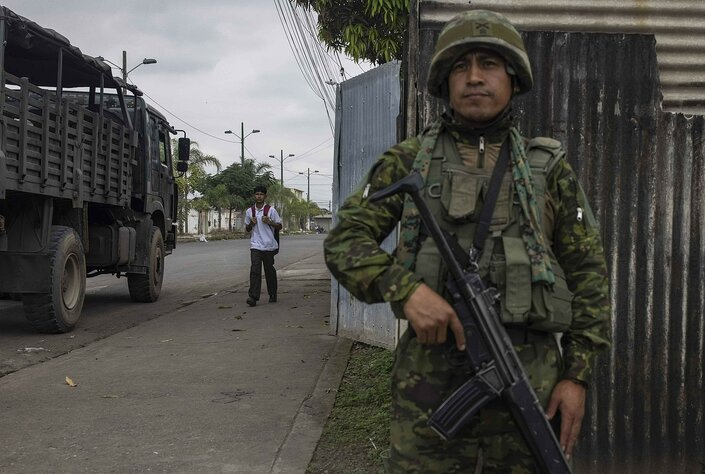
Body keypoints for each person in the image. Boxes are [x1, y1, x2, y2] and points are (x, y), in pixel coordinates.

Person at [324, 9, 611, 472]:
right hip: (430, 384)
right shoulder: (410, 161)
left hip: (531, 380)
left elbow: (589, 276)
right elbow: (344, 242)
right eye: (461, 66)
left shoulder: (548, 168)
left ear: (513, 78)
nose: (474, 77)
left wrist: (576, 375)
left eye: (489, 64)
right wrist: (407, 290)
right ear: (444, 81)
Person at [244, 185, 282, 307]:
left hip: (269, 246)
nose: (259, 196)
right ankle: (253, 296)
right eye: (257, 194)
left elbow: (279, 226)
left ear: (265, 196)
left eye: (261, 194)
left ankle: (272, 293)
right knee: (255, 270)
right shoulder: (250, 211)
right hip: (255, 245)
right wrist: (251, 223)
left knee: (269, 270)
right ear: (254, 196)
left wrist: (270, 222)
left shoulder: (271, 210)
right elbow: (247, 228)